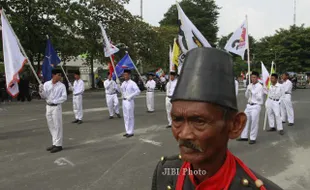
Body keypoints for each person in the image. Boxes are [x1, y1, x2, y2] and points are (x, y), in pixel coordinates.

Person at [151, 47, 282, 190]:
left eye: (199, 121)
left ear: (235, 125)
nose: (183, 134)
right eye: (177, 119)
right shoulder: (166, 172)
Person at [39, 69, 67, 153]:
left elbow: (64, 97)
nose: (60, 76)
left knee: (57, 125)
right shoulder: (47, 84)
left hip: (56, 107)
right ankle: (54, 143)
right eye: (58, 74)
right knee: (51, 125)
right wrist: (41, 90)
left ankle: (59, 145)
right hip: (48, 107)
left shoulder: (61, 86)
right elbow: (43, 96)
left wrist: (54, 101)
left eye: (60, 75)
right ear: (53, 75)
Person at [238, 71, 264, 144]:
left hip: (256, 105)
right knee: (245, 120)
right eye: (252, 77)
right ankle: (244, 136)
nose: (253, 79)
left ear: (257, 78)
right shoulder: (250, 85)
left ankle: (253, 138)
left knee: (254, 122)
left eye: (254, 77)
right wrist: (248, 90)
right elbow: (247, 96)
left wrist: (252, 91)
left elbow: (259, 98)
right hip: (249, 105)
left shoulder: (260, 86)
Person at [121, 70, 140, 138]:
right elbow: (121, 91)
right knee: (125, 116)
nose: (125, 76)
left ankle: (131, 132)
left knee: (130, 116)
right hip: (124, 101)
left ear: (129, 75)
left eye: (126, 75)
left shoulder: (132, 83)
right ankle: (127, 131)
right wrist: (117, 85)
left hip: (129, 101)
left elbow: (138, 91)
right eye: (124, 75)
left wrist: (130, 96)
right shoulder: (123, 83)